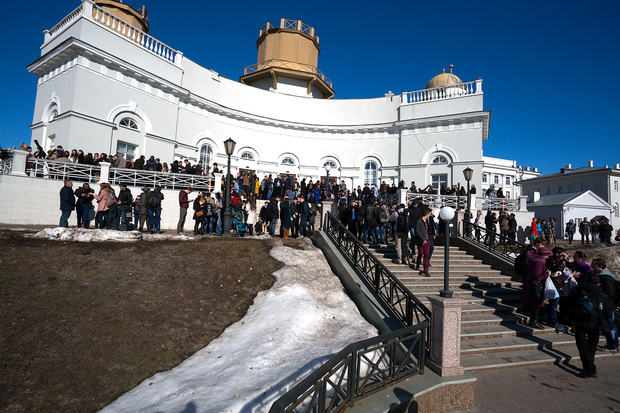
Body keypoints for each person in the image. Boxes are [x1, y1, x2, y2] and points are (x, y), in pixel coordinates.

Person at [568, 273, 613, 378]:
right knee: (592, 345)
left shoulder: (577, 291)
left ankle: (589, 368)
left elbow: (569, 305)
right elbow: (609, 313)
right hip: (596, 323)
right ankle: (589, 367)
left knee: (582, 345)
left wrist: (572, 318)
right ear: (599, 284)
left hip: (580, 321)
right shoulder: (603, 295)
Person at [591, 258, 619, 353]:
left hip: (607, 305)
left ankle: (612, 346)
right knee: (612, 325)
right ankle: (615, 344)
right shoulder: (606, 275)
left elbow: (609, 292)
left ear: (600, 266)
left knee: (609, 326)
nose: (592, 266)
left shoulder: (605, 277)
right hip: (609, 304)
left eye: (594, 265)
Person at [521, 245, 552, 329]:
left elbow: (526, 270)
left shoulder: (532, 259)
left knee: (532, 303)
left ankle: (532, 319)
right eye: (547, 255)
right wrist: (546, 274)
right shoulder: (540, 262)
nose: (548, 257)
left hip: (529, 282)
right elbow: (537, 276)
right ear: (543, 255)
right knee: (536, 304)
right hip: (535, 285)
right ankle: (533, 321)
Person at [415, 207, 433, 277]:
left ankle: (426, 269)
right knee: (421, 253)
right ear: (427, 214)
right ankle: (417, 264)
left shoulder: (427, 221)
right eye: (429, 214)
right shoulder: (419, 221)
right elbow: (417, 231)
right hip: (421, 240)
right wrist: (423, 239)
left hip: (427, 239)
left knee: (426, 255)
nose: (430, 216)